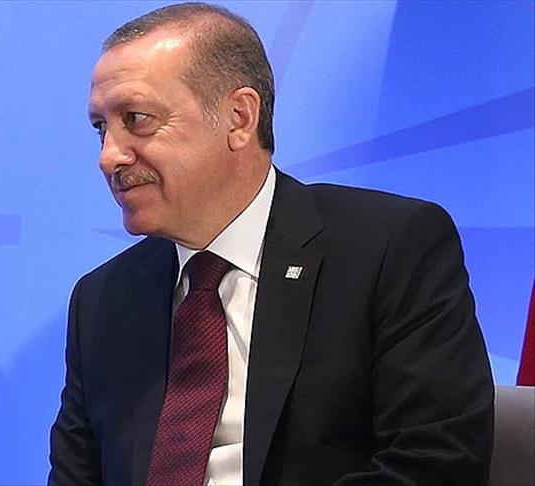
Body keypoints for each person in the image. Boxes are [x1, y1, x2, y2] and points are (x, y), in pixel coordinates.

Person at [48, 3, 494, 485]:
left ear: (239, 118)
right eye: (101, 128)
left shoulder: (388, 248)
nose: (109, 156)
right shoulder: (102, 300)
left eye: (137, 118)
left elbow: (435, 461)